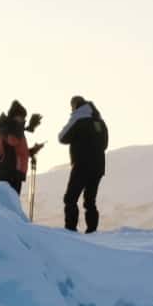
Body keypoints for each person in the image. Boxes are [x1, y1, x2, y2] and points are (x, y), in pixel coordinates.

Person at [58, 95, 109, 233]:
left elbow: (62, 137)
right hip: (98, 165)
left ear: (75, 105)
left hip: (81, 165)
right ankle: (92, 231)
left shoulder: (78, 118)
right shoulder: (100, 121)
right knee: (90, 200)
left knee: (70, 198)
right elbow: (105, 144)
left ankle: (70, 230)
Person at [0, 100, 44, 196]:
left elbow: (16, 151)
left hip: (14, 174)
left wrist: (31, 151)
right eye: (21, 117)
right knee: (8, 204)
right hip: (10, 174)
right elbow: (12, 142)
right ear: (14, 117)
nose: (23, 120)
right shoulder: (10, 130)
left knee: (10, 204)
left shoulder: (13, 130)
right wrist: (26, 127)